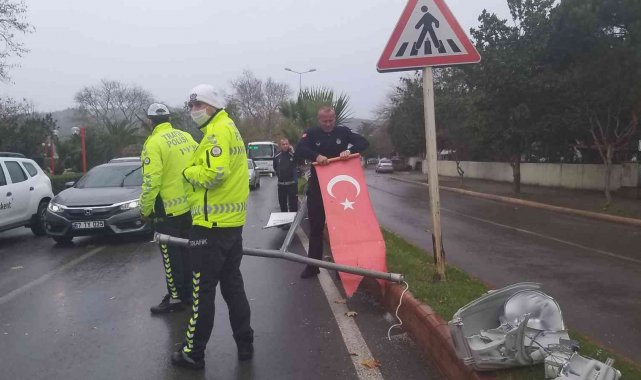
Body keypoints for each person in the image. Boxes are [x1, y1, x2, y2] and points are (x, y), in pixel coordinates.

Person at [171, 84, 254, 370]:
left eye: (199, 105)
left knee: (201, 291)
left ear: (213, 106)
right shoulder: (228, 128)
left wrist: (187, 172)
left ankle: (193, 352)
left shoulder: (217, 132)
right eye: (191, 106)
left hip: (209, 227)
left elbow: (215, 173)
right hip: (231, 225)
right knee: (232, 286)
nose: (194, 111)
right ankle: (245, 344)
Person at [294, 106, 369, 279]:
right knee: (316, 227)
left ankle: (344, 267)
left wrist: (349, 151)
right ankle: (313, 266)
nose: (328, 124)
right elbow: (299, 150)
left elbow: (363, 142)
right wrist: (316, 156)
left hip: (340, 189)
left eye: (331, 120)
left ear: (335, 118)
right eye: (324, 121)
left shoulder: (342, 132)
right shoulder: (311, 133)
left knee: (343, 228)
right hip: (318, 187)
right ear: (318, 119)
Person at [140, 103, 198, 313]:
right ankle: (189, 294)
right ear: (169, 119)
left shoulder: (153, 143)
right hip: (190, 206)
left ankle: (175, 298)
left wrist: (145, 209)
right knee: (187, 252)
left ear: (150, 121)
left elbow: (151, 181)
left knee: (170, 255)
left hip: (167, 211)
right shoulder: (186, 137)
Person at [273, 138, 298, 228]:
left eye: (286, 144)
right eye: (283, 144)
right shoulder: (277, 156)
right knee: (282, 204)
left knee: (293, 204)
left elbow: (299, 160)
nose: (285, 146)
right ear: (280, 146)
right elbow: (275, 167)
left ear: (289, 145)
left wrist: (293, 151)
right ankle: (285, 222)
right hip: (281, 184)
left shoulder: (292, 155)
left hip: (292, 184)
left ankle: (293, 222)